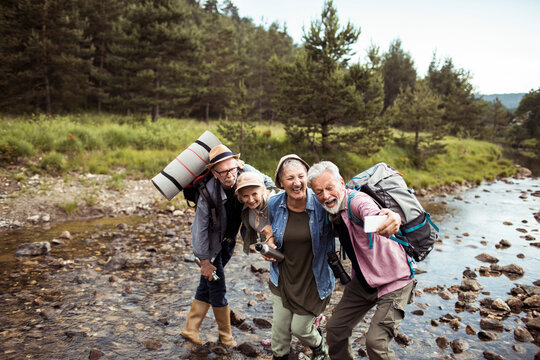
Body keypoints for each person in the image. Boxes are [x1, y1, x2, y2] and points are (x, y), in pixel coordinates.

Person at [307, 161, 416, 360]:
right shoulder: (328, 209)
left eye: (329, 188)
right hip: (364, 281)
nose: (325, 195)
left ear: (341, 182)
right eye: (319, 191)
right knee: (335, 329)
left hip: (395, 281)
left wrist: (391, 219)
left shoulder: (357, 201)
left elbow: (376, 215)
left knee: (376, 343)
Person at [181, 144, 274, 346]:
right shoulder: (207, 194)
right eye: (223, 172)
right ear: (214, 173)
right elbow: (199, 230)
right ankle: (226, 337)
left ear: (237, 164)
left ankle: (190, 329)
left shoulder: (244, 171)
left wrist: (260, 194)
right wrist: (204, 261)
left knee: (207, 283)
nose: (230, 175)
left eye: (232, 169)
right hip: (212, 246)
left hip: (229, 241)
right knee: (217, 286)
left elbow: (269, 183)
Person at [265, 154, 335, 360]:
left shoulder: (322, 203)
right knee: (279, 332)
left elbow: (348, 208)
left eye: (301, 176)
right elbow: (268, 226)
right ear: (280, 182)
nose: (297, 183)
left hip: (314, 280)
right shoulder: (274, 204)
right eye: (290, 178)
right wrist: (268, 238)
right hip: (283, 276)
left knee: (300, 329)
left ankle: (319, 347)